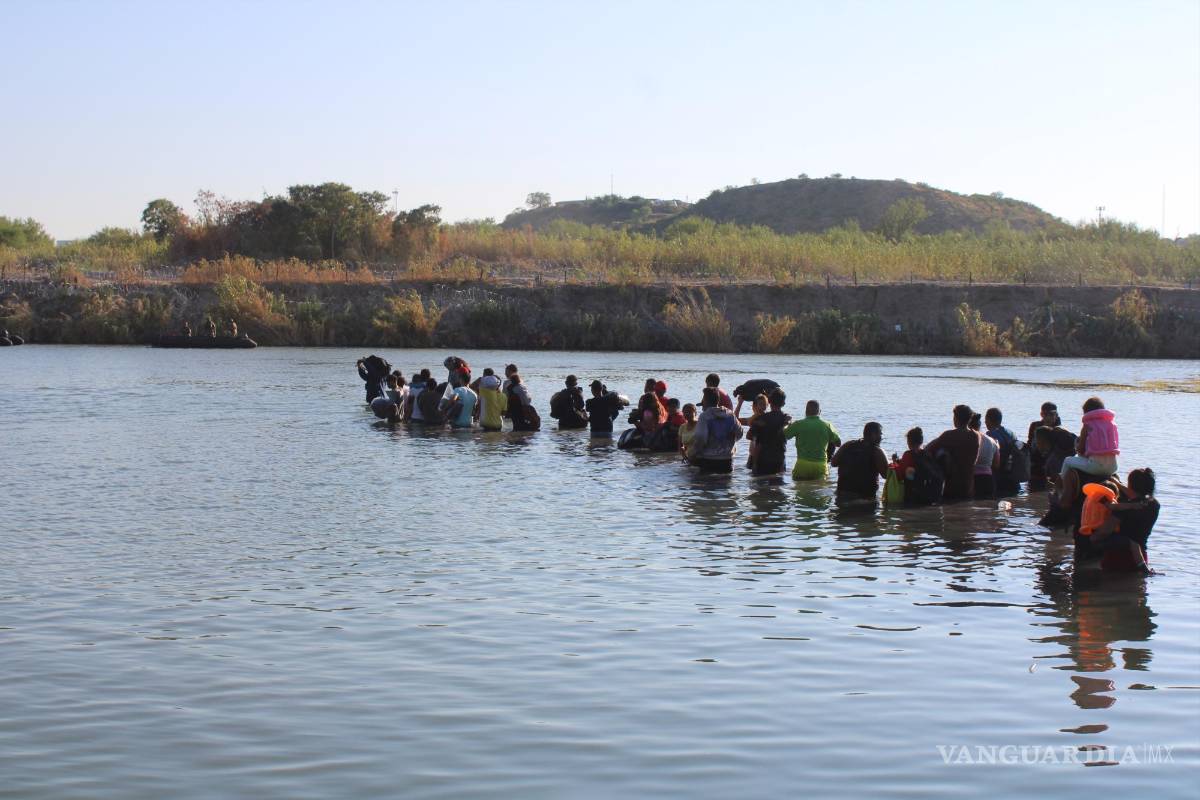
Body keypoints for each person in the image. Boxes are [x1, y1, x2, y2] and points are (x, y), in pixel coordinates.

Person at [1090, 468, 1159, 574]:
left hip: (1118, 558)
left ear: (1131, 485)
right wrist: (1117, 483)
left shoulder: (1124, 508)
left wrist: (1092, 537)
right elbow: (1135, 494)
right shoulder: (1154, 505)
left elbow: (1104, 531)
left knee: (1110, 583)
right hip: (1141, 556)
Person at [926, 404, 982, 501]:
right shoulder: (976, 436)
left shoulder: (948, 435)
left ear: (956, 419)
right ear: (969, 419)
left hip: (952, 485)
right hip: (968, 485)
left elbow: (928, 449)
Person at [831, 422, 889, 505]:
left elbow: (833, 463)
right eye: (880, 434)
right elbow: (886, 475)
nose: (881, 438)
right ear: (874, 434)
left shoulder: (848, 445)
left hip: (842, 493)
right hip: (865, 498)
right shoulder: (877, 451)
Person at [687, 387, 743, 473]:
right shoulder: (730, 415)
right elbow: (740, 433)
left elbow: (701, 438)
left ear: (705, 401)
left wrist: (692, 454)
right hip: (727, 461)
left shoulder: (705, 416)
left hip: (708, 460)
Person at [1061, 397, 1119, 479]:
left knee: (1067, 461)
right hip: (1113, 467)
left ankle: (1061, 484)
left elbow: (1081, 450)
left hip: (1095, 467)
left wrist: (1077, 446)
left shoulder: (1087, 425)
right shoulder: (1111, 424)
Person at [783, 400, 841, 481]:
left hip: (802, 465)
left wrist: (786, 424)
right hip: (820, 466)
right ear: (820, 412)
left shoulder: (798, 424)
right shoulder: (827, 425)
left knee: (799, 487)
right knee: (820, 487)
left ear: (806, 411)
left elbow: (784, 436)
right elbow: (838, 443)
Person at [895, 427, 943, 505]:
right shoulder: (927, 454)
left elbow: (900, 475)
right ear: (921, 441)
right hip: (928, 494)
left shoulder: (908, 454)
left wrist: (895, 465)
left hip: (913, 496)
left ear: (908, 442)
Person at [748, 388, 791, 477]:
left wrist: (754, 464)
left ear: (769, 402)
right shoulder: (785, 419)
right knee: (778, 484)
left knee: (760, 484)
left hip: (762, 459)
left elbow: (751, 437)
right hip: (779, 460)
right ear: (783, 404)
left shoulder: (762, 419)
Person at [985, 408, 1021, 496]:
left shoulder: (990, 435)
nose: (985, 422)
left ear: (988, 420)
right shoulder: (1011, 433)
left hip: (999, 477)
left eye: (985, 420)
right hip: (1013, 475)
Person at [1027, 402, 1063, 490]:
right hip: (1035, 463)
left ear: (1056, 415)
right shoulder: (1035, 425)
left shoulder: (1060, 430)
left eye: (1051, 414)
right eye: (1045, 414)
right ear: (1041, 414)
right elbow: (1029, 443)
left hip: (1051, 466)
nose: (1048, 417)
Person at [969, 412, 1001, 500]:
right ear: (979, 425)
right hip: (987, 480)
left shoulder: (965, 438)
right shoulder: (992, 441)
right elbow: (996, 465)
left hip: (971, 480)